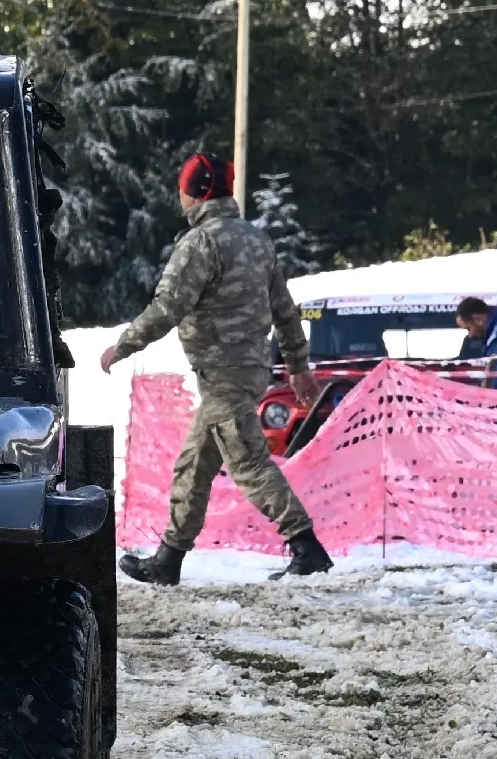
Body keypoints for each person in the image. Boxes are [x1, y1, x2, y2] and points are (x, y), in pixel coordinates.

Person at [103, 153, 333, 585]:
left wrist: (123, 345)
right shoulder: (256, 240)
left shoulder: (201, 243)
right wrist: (298, 366)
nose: (180, 196)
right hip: (247, 371)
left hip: (223, 376)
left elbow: (168, 306)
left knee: (249, 464)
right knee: (194, 465)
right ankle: (168, 560)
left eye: (183, 188)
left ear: (198, 192)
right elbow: (285, 310)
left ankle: (307, 547)